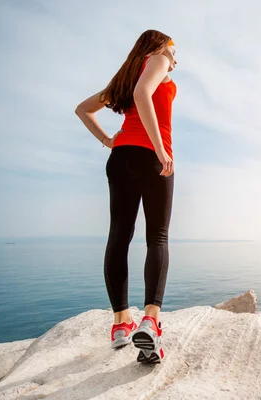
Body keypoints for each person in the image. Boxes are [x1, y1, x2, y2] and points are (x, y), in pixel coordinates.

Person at [75, 29, 177, 364]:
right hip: (150, 156)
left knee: (119, 236)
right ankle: (150, 320)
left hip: (120, 158)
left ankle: (120, 325)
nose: (175, 59)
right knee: (157, 237)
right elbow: (144, 94)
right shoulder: (157, 60)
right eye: (173, 50)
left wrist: (109, 141)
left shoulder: (124, 75)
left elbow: (83, 109)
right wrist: (160, 150)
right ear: (160, 46)